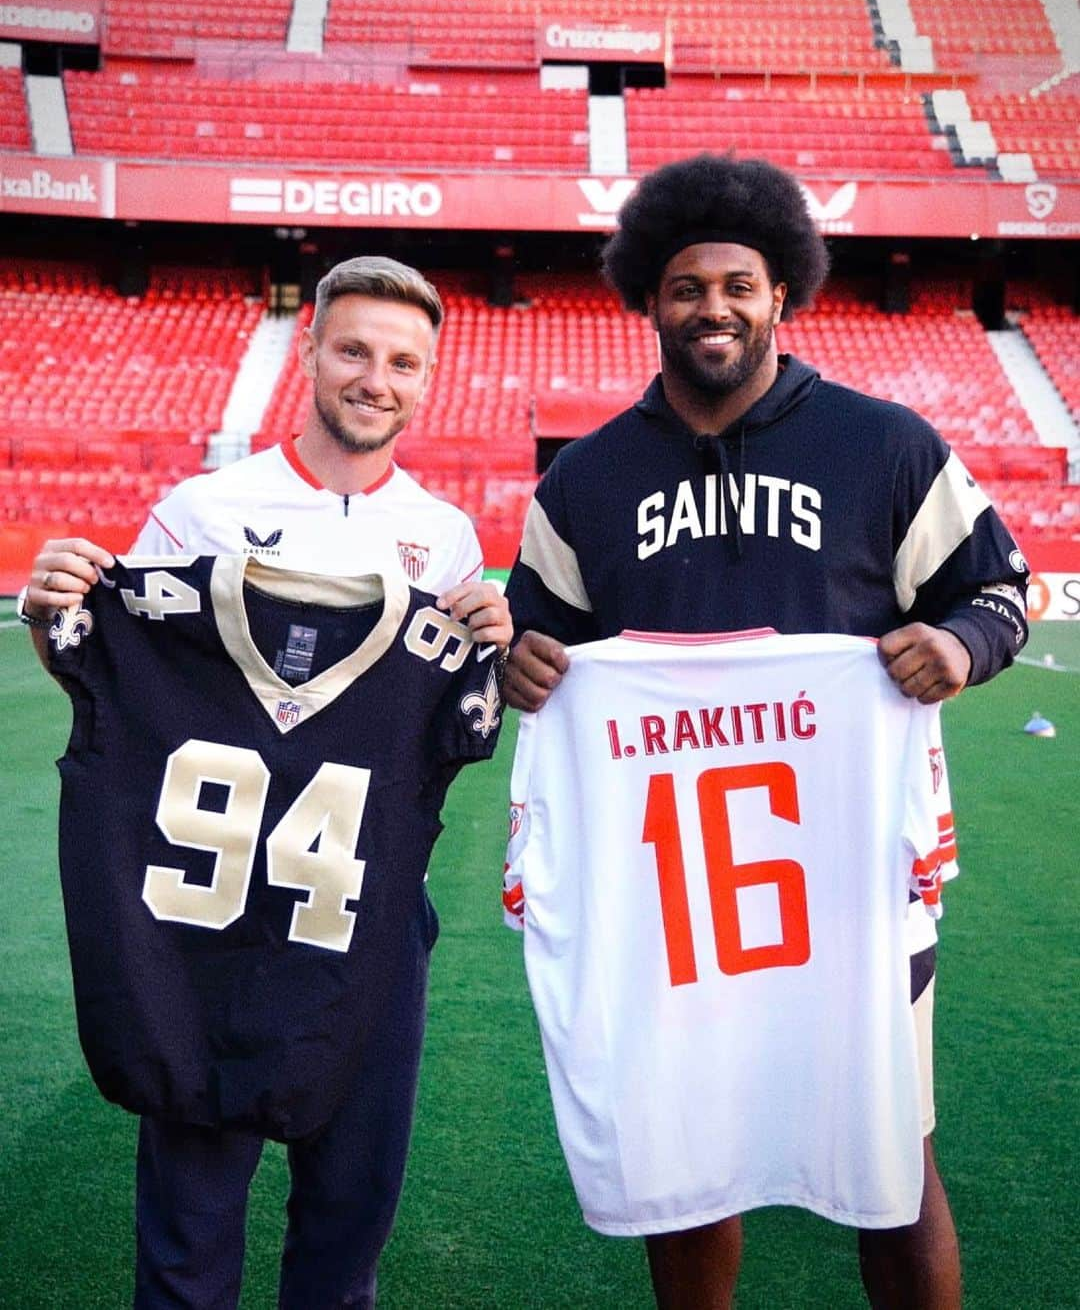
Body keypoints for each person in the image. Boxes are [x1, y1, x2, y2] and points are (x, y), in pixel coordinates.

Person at [502, 154, 1029, 1309]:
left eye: (738, 284)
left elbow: (1000, 594)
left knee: (895, 1157)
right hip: (669, 889)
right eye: (686, 287)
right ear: (648, 297)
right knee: (688, 1165)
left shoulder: (886, 446)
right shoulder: (583, 484)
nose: (714, 309)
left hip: (852, 878)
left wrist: (959, 648)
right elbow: (531, 644)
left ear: (783, 291)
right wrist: (521, 662)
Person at [18, 255, 512, 1309]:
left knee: (349, 1219)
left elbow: (457, 727)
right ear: (310, 353)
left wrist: (494, 649)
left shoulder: (449, 538)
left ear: (427, 380)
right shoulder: (202, 508)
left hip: (364, 913)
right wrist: (59, 614)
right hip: (208, 926)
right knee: (188, 1237)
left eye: (402, 362)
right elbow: (119, 684)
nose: (375, 378)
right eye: (354, 351)